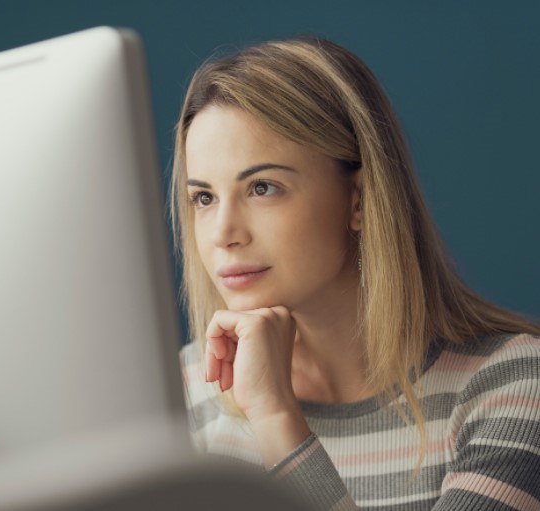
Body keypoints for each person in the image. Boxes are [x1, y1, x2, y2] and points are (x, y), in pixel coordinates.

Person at [170, 36, 540, 510]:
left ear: (359, 199)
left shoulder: (511, 387)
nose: (223, 233)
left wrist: (276, 416)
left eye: (263, 188)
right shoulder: (180, 397)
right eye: (204, 197)